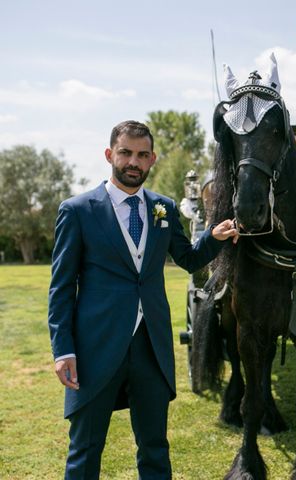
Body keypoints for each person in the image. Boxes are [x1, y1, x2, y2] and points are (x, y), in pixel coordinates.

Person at [48, 120, 238, 479]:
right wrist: (63, 350)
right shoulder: (78, 210)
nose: (133, 162)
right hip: (96, 348)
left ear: (152, 160)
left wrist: (214, 236)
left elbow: (189, 259)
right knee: (85, 449)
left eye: (142, 155)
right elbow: (60, 287)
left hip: (150, 347)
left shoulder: (161, 208)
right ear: (110, 155)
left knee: (154, 447)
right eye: (125, 153)